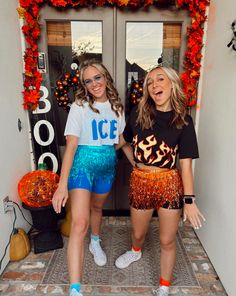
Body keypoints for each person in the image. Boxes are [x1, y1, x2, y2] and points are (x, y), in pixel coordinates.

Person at [115, 66, 205, 296]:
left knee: (167, 240)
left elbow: (185, 164)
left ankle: (164, 286)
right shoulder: (138, 113)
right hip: (141, 182)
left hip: (168, 183)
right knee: (138, 233)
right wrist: (133, 162)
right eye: (150, 82)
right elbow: (122, 141)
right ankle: (136, 250)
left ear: (172, 84)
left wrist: (190, 200)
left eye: (160, 79)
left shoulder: (183, 120)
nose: (154, 85)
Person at [52, 60, 125, 296]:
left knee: (97, 207)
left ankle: (95, 241)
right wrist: (62, 186)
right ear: (84, 85)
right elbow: (71, 146)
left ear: (106, 77)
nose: (94, 84)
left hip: (107, 167)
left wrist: (138, 165)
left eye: (97, 78)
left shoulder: (117, 107)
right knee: (79, 222)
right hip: (82, 166)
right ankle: (75, 289)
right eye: (88, 81)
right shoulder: (80, 106)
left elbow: (121, 140)